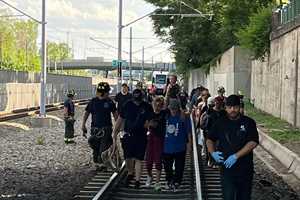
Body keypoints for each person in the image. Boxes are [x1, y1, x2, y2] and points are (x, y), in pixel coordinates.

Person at [207, 95, 259, 200]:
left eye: (235, 107)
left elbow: (253, 142)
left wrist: (236, 156)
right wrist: (212, 153)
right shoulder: (220, 122)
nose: (232, 110)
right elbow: (209, 139)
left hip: (245, 168)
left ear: (239, 107)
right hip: (227, 168)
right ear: (225, 108)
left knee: (244, 196)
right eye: (229, 107)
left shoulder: (248, 122)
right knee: (228, 196)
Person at [112, 89, 153, 189]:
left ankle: (137, 181)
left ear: (142, 98)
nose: (137, 102)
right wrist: (115, 132)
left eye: (138, 99)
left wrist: (148, 124)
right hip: (128, 135)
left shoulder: (147, 106)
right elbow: (120, 119)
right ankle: (130, 172)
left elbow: (151, 119)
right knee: (128, 157)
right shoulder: (127, 105)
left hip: (141, 136)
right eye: (136, 99)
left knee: (139, 158)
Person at [81, 82, 118, 170]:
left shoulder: (109, 102)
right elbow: (87, 113)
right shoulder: (93, 102)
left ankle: (102, 163)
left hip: (106, 128)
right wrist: (83, 124)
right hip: (95, 129)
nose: (108, 93)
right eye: (108, 92)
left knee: (103, 147)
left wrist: (118, 127)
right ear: (104, 92)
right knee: (95, 146)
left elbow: (115, 115)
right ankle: (97, 163)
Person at [163, 99, 192, 191]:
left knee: (179, 166)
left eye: (175, 109)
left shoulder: (184, 117)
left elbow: (188, 132)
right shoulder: (165, 116)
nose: (173, 111)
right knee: (167, 166)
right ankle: (169, 180)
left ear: (178, 108)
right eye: (172, 109)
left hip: (180, 146)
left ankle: (177, 181)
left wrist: (189, 144)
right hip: (167, 147)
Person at [145, 96, 166, 191]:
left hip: (160, 139)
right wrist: (149, 125)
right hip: (150, 138)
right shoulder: (149, 114)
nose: (157, 107)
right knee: (148, 162)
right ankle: (150, 176)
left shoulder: (164, 113)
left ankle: (157, 182)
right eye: (156, 104)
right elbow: (145, 124)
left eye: (159, 105)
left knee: (158, 161)